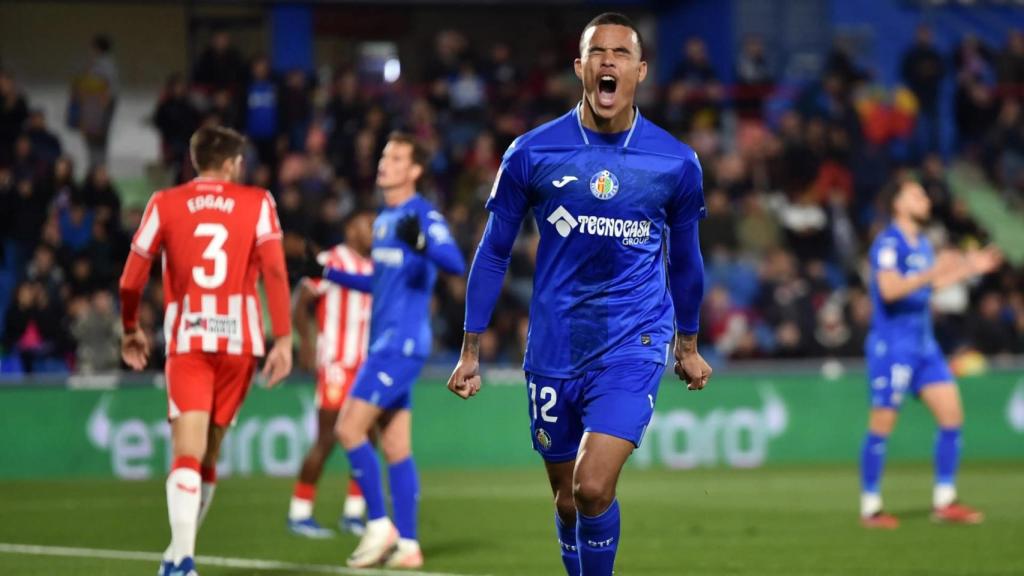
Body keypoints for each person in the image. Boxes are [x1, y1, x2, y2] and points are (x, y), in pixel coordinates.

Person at [446, 13, 710, 576]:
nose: (608, 62)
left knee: (593, 487)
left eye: (620, 53)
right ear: (580, 68)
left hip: (633, 341)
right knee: (568, 500)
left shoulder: (675, 162)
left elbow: (686, 261)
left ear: (640, 70)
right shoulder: (531, 153)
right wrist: (470, 349)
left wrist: (686, 342)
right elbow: (494, 252)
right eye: (597, 53)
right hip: (556, 346)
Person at [118, 126, 293, 576]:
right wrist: (285, 339)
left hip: (190, 340)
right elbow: (274, 271)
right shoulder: (259, 202)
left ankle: (180, 557)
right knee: (209, 454)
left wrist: (131, 327)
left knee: (189, 451)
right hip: (241, 344)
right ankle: (179, 559)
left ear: (196, 160)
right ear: (234, 163)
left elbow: (130, 280)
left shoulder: (164, 203)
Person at [322, 132, 465, 568]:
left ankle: (379, 523)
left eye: (396, 157)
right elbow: (378, 282)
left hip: (400, 345)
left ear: (415, 170)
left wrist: (423, 243)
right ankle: (408, 545)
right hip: (384, 344)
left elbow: (455, 262)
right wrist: (326, 271)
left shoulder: (421, 214)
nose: (385, 163)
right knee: (396, 446)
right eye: (384, 155)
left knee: (348, 429)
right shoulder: (384, 218)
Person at [860, 176, 1002, 529]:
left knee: (952, 415)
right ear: (898, 204)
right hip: (892, 346)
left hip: (924, 346)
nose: (925, 199)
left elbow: (929, 284)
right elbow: (890, 290)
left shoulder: (921, 243)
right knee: (882, 424)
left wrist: (969, 268)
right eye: (916, 194)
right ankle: (871, 506)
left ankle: (945, 500)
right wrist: (931, 272)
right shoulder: (889, 243)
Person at [287, 211, 374, 538]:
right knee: (327, 438)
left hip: (364, 365)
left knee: (368, 439)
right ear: (352, 228)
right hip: (336, 363)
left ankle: (353, 514)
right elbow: (300, 302)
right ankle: (299, 511)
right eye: (369, 226)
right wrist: (307, 343)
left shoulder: (374, 266)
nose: (374, 233)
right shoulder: (329, 259)